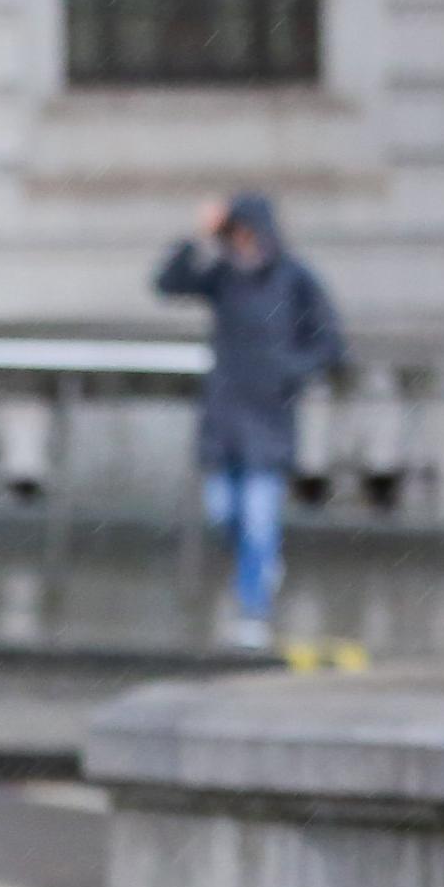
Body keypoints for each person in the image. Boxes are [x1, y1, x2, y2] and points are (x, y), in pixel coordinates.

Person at [156, 192, 345, 650]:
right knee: (226, 512)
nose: (241, 243)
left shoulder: (295, 280)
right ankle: (257, 571)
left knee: (260, 517)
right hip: (225, 413)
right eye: (233, 233)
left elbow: (330, 342)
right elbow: (169, 282)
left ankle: (252, 606)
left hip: (269, 415)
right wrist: (200, 237)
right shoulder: (222, 276)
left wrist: (290, 372)